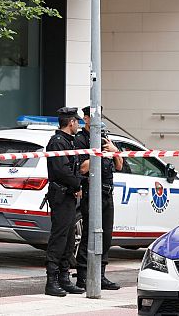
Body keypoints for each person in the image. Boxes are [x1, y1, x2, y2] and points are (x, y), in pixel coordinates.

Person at [74, 105, 123, 291]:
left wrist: (114, 149)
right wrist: (99, 153)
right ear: (86, 119)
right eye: (93, 116)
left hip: (107, 192)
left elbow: (119, 165)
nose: (98, 120)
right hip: (91, 192)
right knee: (88, 236)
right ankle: (82, 276)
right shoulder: (81, 140)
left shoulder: (105, 139)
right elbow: (82, 168)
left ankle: (100, 275)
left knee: (106, 236)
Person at [44, 107, 88, 297]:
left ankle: (64, 278)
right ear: (71, 122)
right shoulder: (57, 143)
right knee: (59, 238)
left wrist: (77, 184)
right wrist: (77, 183)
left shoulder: (68, 142)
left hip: (68, 195)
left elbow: (73, 169)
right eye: (77, 121)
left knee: (69, 239)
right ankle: (51, 281)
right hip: (61, 196)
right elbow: (62, 171)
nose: (78, 124)